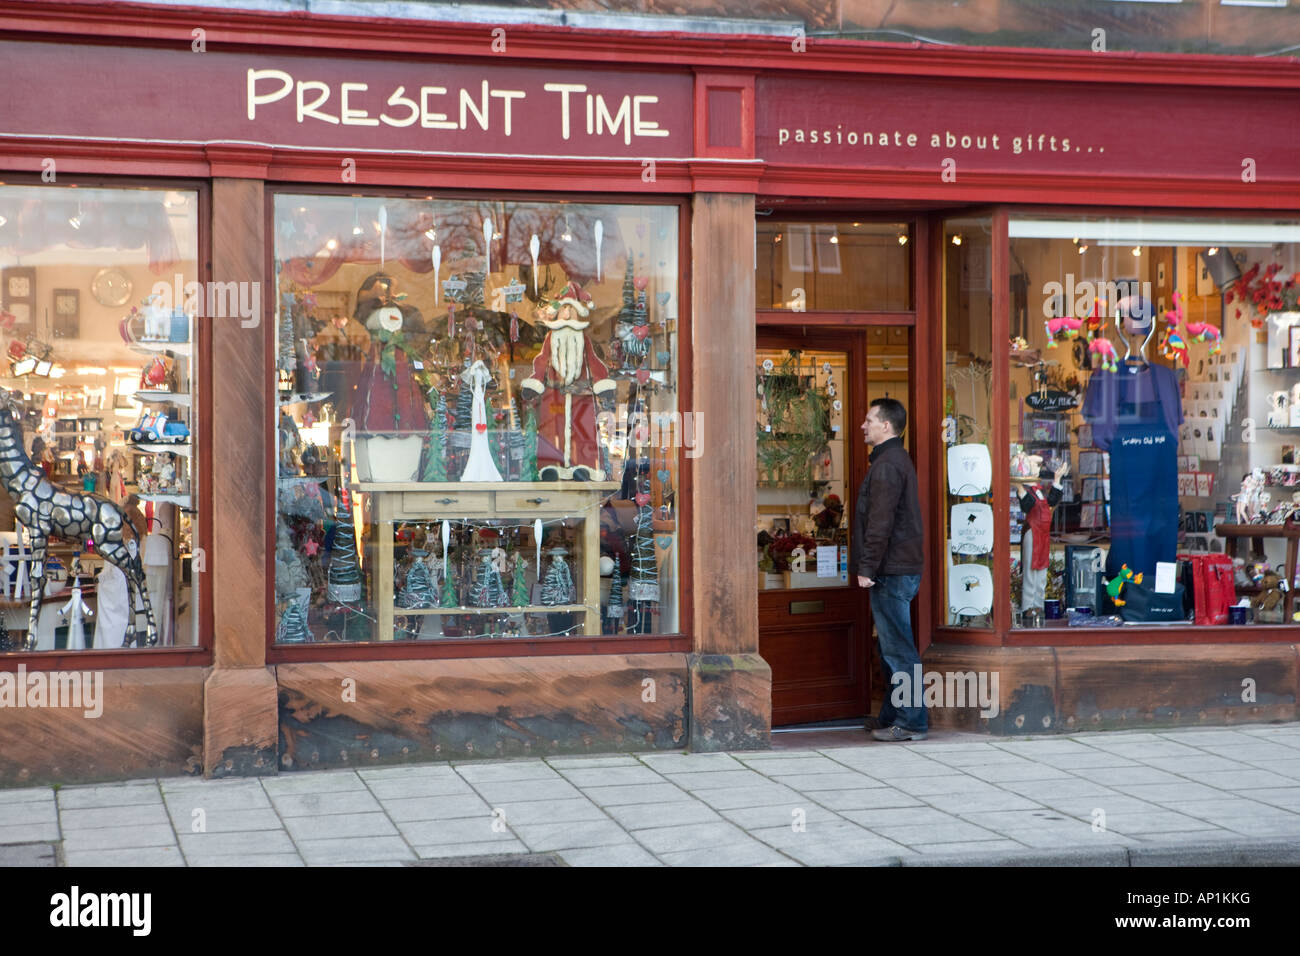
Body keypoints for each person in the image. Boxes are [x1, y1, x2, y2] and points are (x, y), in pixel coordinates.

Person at [855, 397, 927, 741]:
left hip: (891, 569)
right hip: (898, 566)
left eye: (869, 420)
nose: (863, 426)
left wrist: (867, 567)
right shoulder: (894, 460)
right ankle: (890, 715)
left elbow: (880, 522)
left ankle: (911, 721)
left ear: (886, 426)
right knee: (890, 647)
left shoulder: (887, 465)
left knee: (897, 648)